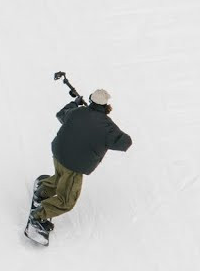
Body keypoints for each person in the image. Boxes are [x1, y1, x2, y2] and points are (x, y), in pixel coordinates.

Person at [29, 88, 132, 238]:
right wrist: (110, 126)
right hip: (74, 164)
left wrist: (75, 104)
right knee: (67, 200)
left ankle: (43, 191)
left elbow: (61, 114)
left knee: (60, 176)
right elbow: (125, 143)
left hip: (59, 153)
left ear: (90, 99)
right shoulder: (107, 127)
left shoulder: (77, 112)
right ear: (106, 106)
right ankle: (38, 216)